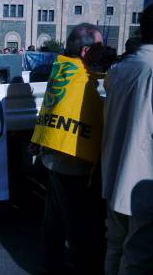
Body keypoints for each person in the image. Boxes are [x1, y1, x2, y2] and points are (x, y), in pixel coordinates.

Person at [31, 23, 105, 274]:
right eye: (99, 47)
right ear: (86, 51)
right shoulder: (85, 82)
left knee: (54, 224)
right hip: (74, 164)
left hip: (53, 157)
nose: (102, 52)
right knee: (80, 231)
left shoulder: (61, 70)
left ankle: (50, 266)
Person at [102, 4, 153, 275]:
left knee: (115, 246)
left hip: (114, 173)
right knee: (138, 256)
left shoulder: (121, 68)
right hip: (142, 183)